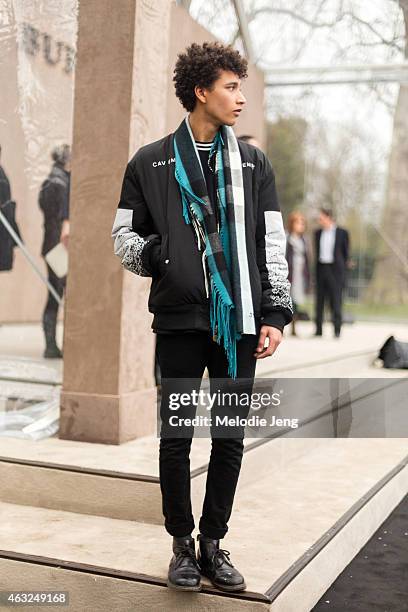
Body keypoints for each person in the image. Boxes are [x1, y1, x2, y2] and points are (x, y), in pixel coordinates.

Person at [111, 42, 293, 593]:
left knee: (231, 437)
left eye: (241, 86)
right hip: (178, 322)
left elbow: (273, 242)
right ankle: (181, 544)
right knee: (176, 438)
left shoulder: (255, 163)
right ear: (201, 92)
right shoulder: (150, 161)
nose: (241, 97)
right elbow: (123, 239)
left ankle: (214, 542)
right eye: (231, 86)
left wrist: (276, 312)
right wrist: (163, 256)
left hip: (239, 322)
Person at [38, 144, 71, 358]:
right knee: (57, 293)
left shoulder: (54, 180)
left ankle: (52, 344)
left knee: (57, 292)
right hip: (59, 247)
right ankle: (50, 345)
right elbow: (60, 220)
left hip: (54, 246)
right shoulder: (59, 183)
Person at [314, 208, 349, 338]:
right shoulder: (317, 233)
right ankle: (318, 330)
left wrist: (344, 269)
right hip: (321, 268)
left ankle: (337, 330)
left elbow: (345, 253)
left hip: (335, 270)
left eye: (321, 218)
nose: (319, 221)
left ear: (329, 217)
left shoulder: (342, 233)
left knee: (336, 300)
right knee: (319, 301)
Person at [286, 211, 310, 336]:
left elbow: (306, 259)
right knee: (287, 300)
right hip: (289, 273)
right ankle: (282, 327)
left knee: (296, 301)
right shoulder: (287, 238)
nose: (301, 225)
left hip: (300, 274)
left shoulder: (304, 240)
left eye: (303, 223)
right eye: (299, 223)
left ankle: (294, 328)